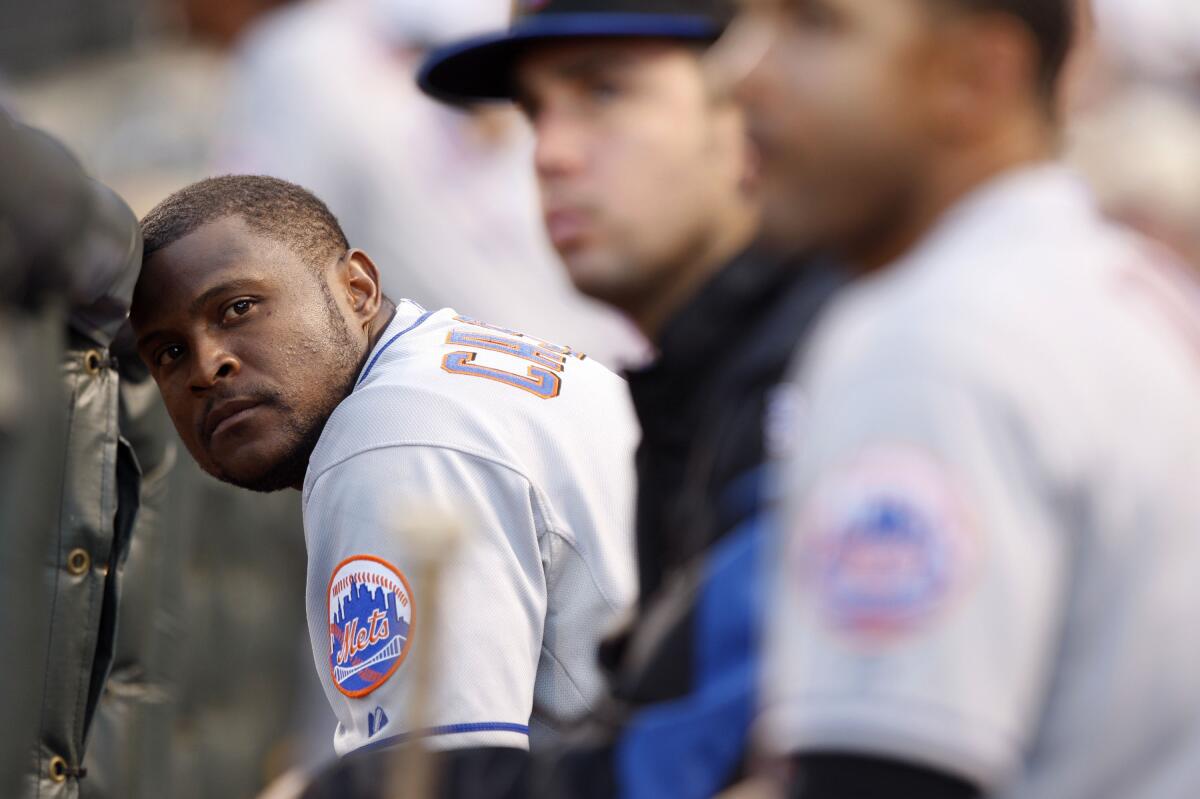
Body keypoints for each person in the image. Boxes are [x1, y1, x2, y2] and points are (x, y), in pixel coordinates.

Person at [724, 0, 1200, 797]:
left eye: (813, 26)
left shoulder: (932, 339)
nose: (742, 73)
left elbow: (886, 778)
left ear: (976, 75)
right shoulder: (1126, 285)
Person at [416, 1, 845, 795]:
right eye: (536, 109)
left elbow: (676, 769)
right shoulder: (705, 375)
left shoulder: (826, 363)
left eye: (604, 92)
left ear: (752, 103)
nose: (549, 152)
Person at [129, 175, 638, 769]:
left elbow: (438, 779)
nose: (206, 365)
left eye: (238, 309)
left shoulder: (385, 438)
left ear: (357, 289)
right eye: (168, 352)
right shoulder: (445, 371)